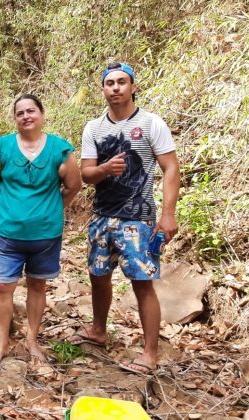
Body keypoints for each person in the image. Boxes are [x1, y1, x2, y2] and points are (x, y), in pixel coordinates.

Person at [69, 62, 180, 375]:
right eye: (110, 83)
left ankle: (149, 353)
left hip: (139, 218)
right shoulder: (94, 128)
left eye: (122, 82)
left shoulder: (150, 123)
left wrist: (168, 214)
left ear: (133, 87)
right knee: (98, 275)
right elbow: (86, 173)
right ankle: (98, 330)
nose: (116, 88)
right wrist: (104, 169)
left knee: (142, 283)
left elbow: (171, 168)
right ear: (103, 90)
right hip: (102, 215)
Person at [0, 94, 81, 365]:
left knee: (38, 286)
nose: (26, 116)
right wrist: (1, 209)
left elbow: (73, 185)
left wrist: (54, 208)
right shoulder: (1, 147)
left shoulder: (60, 149)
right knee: (3, 288)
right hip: (9, 233)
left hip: (45, 235)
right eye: (20, 113)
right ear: (15, 118)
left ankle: (32, 340)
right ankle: (2, 344)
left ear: (42, 114)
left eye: (31, 111)